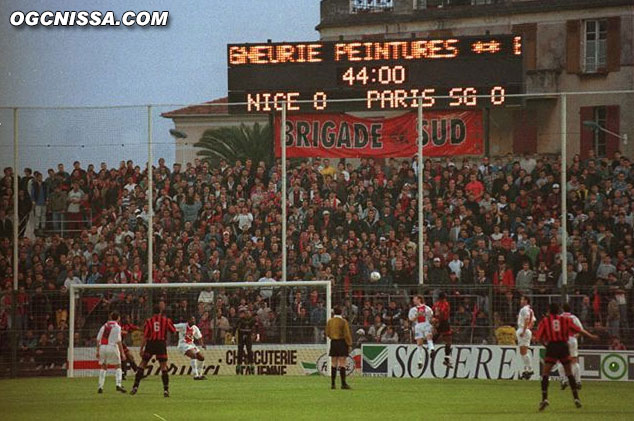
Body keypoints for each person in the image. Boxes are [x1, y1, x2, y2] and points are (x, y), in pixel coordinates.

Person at [535, 303, 598, 411]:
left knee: (545, 373)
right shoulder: (565, 320)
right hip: (564, 346)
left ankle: (545, 399)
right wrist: (591, 336)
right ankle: (576, 398)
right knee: (569, 372)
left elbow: (538, 337)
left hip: (552, 346)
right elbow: (579, 330)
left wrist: (545, 345)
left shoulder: (545, 321)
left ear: (549, 311)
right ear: (558, 311)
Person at [130, 305, 176, 398]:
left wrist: (141, 348)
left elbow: (145, 336)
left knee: (142, 364)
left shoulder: (148, 321)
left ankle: (135, 386)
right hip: (161, 344)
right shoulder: (166, 320)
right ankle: (166, 390)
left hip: (151, 343)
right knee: (163, 366)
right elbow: (173, 331)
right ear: (160, 312)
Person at [95, 311, 126, 394]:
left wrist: (97, 351)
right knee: (118, 366)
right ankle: (118, 384)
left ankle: (100, 386)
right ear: (118, 318)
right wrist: (122, 353)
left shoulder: (104, 326)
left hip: (103, 347)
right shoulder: (117, 327)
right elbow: (119, 341)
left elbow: (98, 339)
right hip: (112, 347)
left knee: (103, 367)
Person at [325, 305, 352, 390]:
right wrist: (349, 344)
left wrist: (332, 337)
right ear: (341, 312)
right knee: (342, 363)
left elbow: (327, 332)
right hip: (341, 342)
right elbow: (346, 334)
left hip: (333, 342)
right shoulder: (343, 321)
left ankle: (333, 384)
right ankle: (343, 383)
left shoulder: (330, 321)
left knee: (333, 363)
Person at [558, 303, 584, 390]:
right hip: (572, 340)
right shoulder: (574, 318)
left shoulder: (559, 318)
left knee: (561, 361)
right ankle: (578, 381)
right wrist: (575, 336)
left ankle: (564, 380)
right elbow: (581, 329)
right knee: (574, 361)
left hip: (563, 340)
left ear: (562, 309)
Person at [174, 316, 207, 380]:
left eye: (194, 319)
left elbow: (199, 337)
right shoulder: (182, 326)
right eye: (192, 319)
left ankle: (200, 374)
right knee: (193, 355)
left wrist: (202, 344)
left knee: (202, 358)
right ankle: (195, 375)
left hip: (191, 345)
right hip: (183, 345)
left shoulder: (195, 328)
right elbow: (173, 327)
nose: (194, 320)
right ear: (188, 320)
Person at [408, 295, 434, 369]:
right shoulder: (413, 309)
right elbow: (411, 319)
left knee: (423, 341)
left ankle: (431, 350)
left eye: (414, 299)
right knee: (422, 341)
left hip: (425, 324)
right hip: (418, 326)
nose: (413, 300)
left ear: (419, 299)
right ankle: (420, 360)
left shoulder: (426, 308)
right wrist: (418, 316)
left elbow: (431, 317)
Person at [516, 295, 536, 380]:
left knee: (523, 352)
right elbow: (533, 321)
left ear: (526, 301)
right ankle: (526, 370)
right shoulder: (530, 309)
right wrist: (528, 328)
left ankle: (530, 369)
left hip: (523, 330)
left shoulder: (524, 309)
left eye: (522, 299)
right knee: (523, 352)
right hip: (526, 330)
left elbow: (527, 320)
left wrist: (524, 331)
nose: (521, 301)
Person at [432, 292, 453, 368]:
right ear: (444, 298)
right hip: (444, 322)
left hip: (437, 321)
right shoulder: (445, 304)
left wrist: (434, 320)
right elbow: (443, 313)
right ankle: (446, 359)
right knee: (448, 340)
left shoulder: (436, 304)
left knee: (437, 335)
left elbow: (433, 312)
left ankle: (431, 349)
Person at [234, 309, 255, 375]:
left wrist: (255, 334)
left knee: (249, 350)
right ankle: (239, 366)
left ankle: (251, 365)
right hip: (241, 337)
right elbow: (235, 328)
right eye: (246, 313)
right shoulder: (240, 320)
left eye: (248, 313)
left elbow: (255, 327)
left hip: (248, 337)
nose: (247, 314)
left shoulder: (252, 320)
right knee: (240, 351)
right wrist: (233, 336)